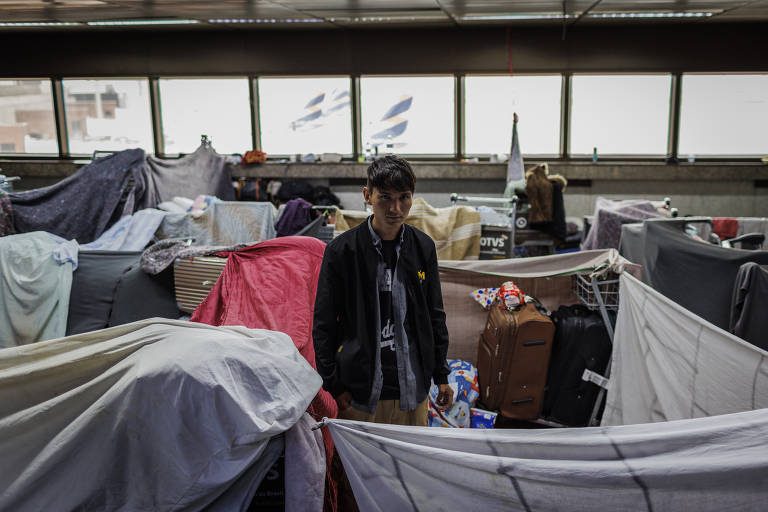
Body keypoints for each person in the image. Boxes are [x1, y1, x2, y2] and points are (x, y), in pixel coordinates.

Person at [313, 155, 454, 427]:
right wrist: (333, 385)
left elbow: (435, 315)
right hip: (360, 396)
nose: (396, 208)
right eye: (385, 198)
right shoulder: (342, 252)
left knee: (411, 466)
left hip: (413, 391)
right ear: (368, 196)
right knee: (359, 470)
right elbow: (324, 325)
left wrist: (441, 374)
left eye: (404, 197)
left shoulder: (423, 248)